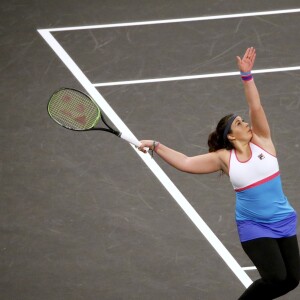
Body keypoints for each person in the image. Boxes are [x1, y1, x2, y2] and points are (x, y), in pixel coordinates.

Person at [138, 47, 300, 299]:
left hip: (284, 220)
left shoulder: (264, 141)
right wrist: (156, 145)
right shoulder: (225, 159)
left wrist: (247, 76)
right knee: (276, 277)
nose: (246, 123)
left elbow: (254, 104)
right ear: (231, 136)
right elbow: (186, 162)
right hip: (254, 226)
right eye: (239, 123)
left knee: (292, 280)